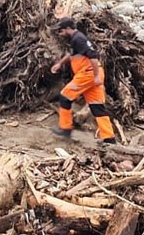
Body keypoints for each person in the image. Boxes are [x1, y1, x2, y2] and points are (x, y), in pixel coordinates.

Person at [50, 16, 117, 144]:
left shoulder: (78, 39)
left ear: (68, 28)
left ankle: (65, 128)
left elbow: (92, 56)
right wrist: (59, 64)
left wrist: (96, 76)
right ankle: (109, 138)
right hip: (91, 75)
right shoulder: (75, 39)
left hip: (88, 74)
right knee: (97, 107)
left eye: (61, 31)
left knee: (65, 96)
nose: (60, 33)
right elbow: (72, 54)